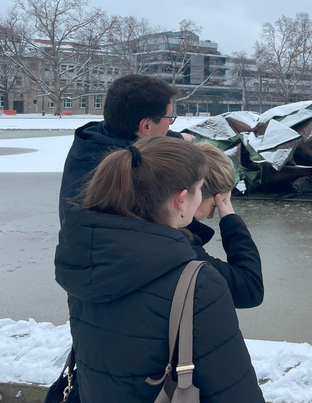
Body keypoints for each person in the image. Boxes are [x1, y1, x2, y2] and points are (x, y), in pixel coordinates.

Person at [54, 136, 264, 402]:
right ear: (181, 199)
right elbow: (236, 391)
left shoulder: (85, 257)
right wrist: (230, 218)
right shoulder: (196, 282)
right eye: (200, 190)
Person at [59, 74, 192, 224]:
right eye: (169, 118)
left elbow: (148, 135)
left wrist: (178, 138)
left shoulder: (93, 140)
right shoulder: (130, 170)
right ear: (146, 126)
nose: (170, 124)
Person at [187, 143, 265, 309]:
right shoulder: (181, 251)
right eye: (214, 206)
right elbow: (250, 290)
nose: (209, 216)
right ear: (193, 195)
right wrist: (230, 219)